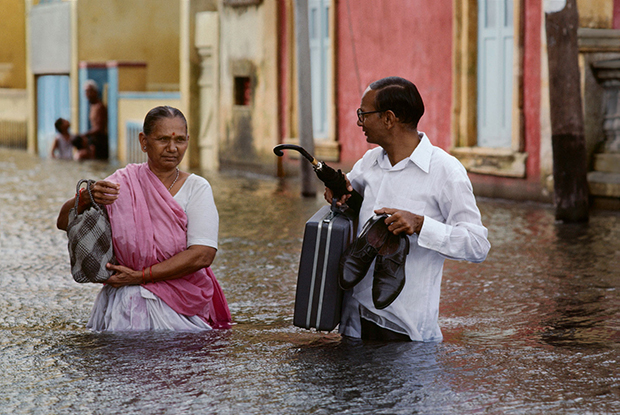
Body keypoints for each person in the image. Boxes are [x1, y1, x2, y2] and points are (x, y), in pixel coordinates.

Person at [325, 76, 490, 342]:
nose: (359, 122)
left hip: (407, 332)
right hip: (354, 324)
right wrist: (337, 194)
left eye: (363, 114)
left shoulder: (445, 171)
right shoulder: (369, 162)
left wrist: (422, 225)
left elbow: (478, 246)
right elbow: (347, 199)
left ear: (388, 119)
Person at [56, 106, 232, 331]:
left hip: (179, 304)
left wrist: (140, 277)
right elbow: (63, 222)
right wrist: (86, 197)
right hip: (123, 302)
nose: (172, 148)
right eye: (162, 139)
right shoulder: (122, 182)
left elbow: (202, 255)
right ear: (144, 141)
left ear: (188, 140)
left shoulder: (197, 188)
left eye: (180, 140)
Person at [81, 80, 109, 160]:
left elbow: (99, 128)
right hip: (94, 140)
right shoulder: (92, 106)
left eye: (90, 91)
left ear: (95, 92)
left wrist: (85, 134)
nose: (88, 94)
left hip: (100, 141)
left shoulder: (99, 107)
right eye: (86, 92)